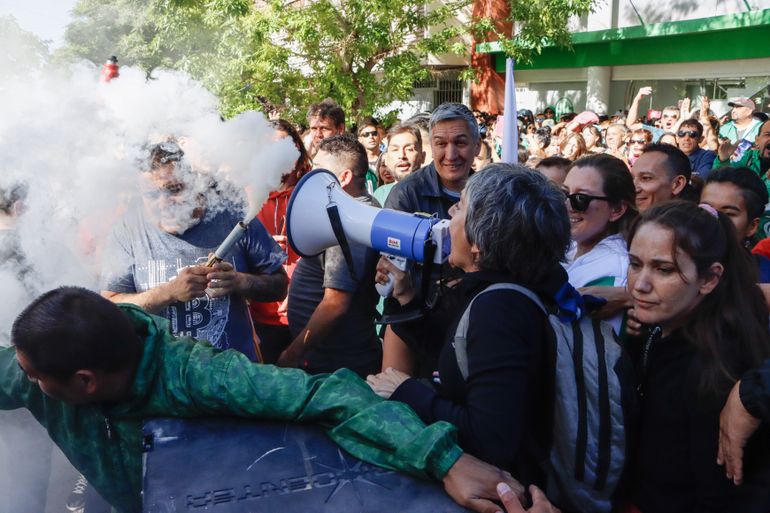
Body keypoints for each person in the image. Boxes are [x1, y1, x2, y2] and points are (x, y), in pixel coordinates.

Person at [1, 286, 524, 513]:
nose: (23, 381)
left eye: (31, 375)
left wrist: (445, 459)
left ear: (86, 381)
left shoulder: (197, 375)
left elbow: (330, 394)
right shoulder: (37, 372)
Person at [368, 165, 573, 491]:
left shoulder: (500, 310)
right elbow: (460, 358)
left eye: (460, 206)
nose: (450, 213)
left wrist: (407, 392)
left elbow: (489, 439)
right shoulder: (502, 290)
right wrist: (407, 297)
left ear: (479, 239)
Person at [624, 201, 770, 512]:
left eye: (664, 269)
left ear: (709, 278)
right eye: (635, 264)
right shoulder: (659, 329)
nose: (641, 284)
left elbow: (718, 494)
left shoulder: (715, 366)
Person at [100, 141, 288, 362]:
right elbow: (110, 307)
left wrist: (239, 282)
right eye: (151, 195)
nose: (164, 203)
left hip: (232, 377)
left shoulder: (232, 216)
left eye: (174, 189)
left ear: (195, 183)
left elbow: (279, 286)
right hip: (163, 379)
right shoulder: (127, 230)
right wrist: (168, 292)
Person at [280, 135, 382, 377]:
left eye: (318, 171)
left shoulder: (351, 222)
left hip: (335, 365)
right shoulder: (353, 209)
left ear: (343, 178)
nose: (309, 177)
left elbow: (336, 303)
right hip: (331, 358)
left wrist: (292, 354)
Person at [249, 119, 312, 364]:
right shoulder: (247, 196)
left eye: (283, 144)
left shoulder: (312, 190)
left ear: (297, 150)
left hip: (305, 311)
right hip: (261, 314)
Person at [562, 154, 637, 333]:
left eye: (581, 199)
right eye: (564, 194)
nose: (568, 205)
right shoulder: (567, 246)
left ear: (617, 210)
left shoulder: (614, 270)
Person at [385, 102, 480, 219]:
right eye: (441, 144)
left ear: (477, 146)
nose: (450, 156)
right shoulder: (405, 195)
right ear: (431, 146)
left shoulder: (492, 194)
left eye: (460, 143)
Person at [700, 166, 770, 282]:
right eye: (706, 209)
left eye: (728, 214)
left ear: (752, 226)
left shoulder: (764, 275)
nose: (713, 218)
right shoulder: (675, 260)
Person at [373, 123, 425, 206]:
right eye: (395, 149)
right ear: (386, 159)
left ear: (423, 156)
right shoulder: (380, 195)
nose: (401, 155)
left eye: (409, 149)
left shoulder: (435, 194)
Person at [630, 143, 693, 213]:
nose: (633, 189)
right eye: (631, 178)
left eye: (646, 178)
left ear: (677, 184)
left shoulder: (695, 222)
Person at [357, 116, 384, 193]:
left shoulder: (388, 159)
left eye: (374, 133)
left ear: (379, 136)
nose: (371, 137)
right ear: (360, 139)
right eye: (366, 135)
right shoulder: (357, 163)